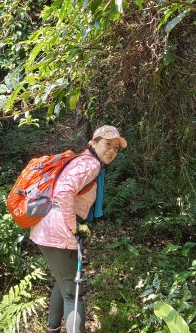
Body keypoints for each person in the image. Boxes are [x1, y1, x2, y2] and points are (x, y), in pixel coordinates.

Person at [30, 125, 128, 333]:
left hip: (49, 227)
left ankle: (52, 328)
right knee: (74, 293)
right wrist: (75, 228)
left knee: (63, 282)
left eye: (116, 148)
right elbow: (64, 192)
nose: (111, 150)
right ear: (94, 143)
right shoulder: (90, 164)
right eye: (107, 144)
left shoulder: (85, 161)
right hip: (59, 229)